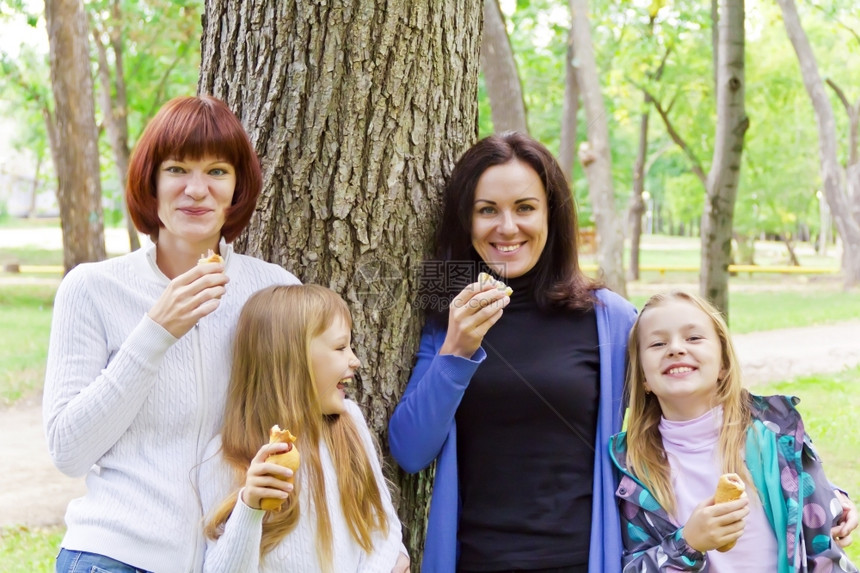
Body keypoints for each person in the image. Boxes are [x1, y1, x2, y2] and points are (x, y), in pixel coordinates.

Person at [43, 95, 300, 573]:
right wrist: (156, 332)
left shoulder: (276, 290)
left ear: (238, 187)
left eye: (218, 171)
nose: (196, 190)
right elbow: (68, 451)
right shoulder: (93, 289)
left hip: (235, 557)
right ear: (151, 182)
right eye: (178, 169)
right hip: (114, 555)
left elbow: (318, 430)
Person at [388, 132, 637, 573]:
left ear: (551, 215)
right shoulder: (448, 317)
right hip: (476, 562)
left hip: (583, 562)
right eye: (487, 210)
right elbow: (410, 451)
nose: (507, 227)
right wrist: (457, 350)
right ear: (466, 220)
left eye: (525, 208)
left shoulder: (609, 319)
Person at [609, 290, 858, 572]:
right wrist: (689, 542)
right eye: (657, 343)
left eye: (693, 338)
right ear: (642, 377)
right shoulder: (631, 468)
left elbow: (822, 551)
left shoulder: (776, 437)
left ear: (723, 364)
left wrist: (833, 498)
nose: (676, 348)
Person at [199, 284, 409, 573]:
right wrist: (249, 508)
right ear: (291, 360)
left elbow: (384, 532)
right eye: (340, 347)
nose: (355, 360)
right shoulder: (227, 457)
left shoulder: (349, 426)